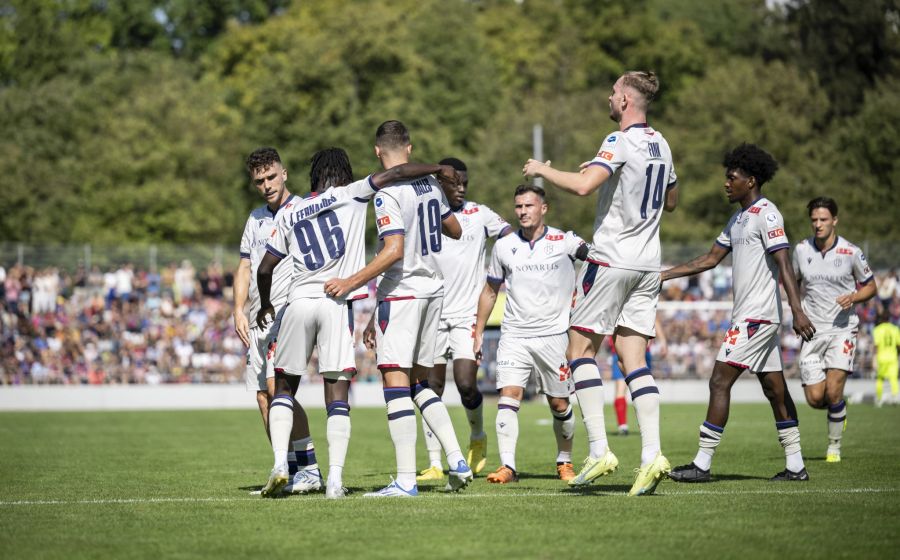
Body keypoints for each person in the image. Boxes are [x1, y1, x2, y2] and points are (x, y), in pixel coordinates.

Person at [257, 146, 462, 499]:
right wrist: (436, 168)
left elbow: (264, 268)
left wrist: (263, 305)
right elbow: (396, 174)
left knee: (286, 388)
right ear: (343, 173)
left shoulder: (290, 212)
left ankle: (279, 464)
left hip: (299, 301)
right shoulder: (351, 194)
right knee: (337, 394)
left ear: (313, 177)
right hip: (337, 301)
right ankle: (335, 481)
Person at [523, 70, 677, 495]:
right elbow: (673, 199)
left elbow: (583, 188)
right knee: (633, 359)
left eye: (613, 93)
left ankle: (599, 450)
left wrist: (542, 171)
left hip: (611, 260)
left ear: (626, 100)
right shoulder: (661, 144)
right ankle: (652, 455)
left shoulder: (618, 141)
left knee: (579, 349)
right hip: (649, 264)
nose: (609, 99)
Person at [324, 120, 472, 498]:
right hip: (434, 293)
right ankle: (456, 459)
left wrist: (350, 282)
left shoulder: (386, 193)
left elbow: (394, 251)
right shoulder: (430, 186)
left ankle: (406, 479)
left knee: (395, 383)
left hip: (404, 294)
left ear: (377, 152)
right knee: (421, 383)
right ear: (410, 146)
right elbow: (455, 229)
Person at [662, 143, 816, 483]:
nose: (726, 183)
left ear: (752, 180)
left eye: (732, 178)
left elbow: (783, 261)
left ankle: (701, 464)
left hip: (757, 318)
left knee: (719, 381)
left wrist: (797, 309)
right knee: (775, 390)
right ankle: (795, 466)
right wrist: (664, 275)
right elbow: (709, 259)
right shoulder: (737, 219)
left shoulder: (768, 214)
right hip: (748, 317)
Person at [473, 184, 588, 483]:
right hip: (515, 335)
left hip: (555, 336)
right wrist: (478, 332)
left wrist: (585, 303)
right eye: (519, 207)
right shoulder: (503, 246)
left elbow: (598, 263)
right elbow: (490, 291)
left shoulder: (565, 241)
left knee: (559, 404)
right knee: (508, 396)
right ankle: (508, 466)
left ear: (543, 208)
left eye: (529, 206)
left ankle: (564, 461)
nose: (523, 212)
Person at [417, 157, 511, 483]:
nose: (460, 189)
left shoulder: (479, 214)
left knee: (467, 384)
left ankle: (477, 435)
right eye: (454, 183)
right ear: (439, 184)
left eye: (464, 184)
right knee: (431, 388)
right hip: (431, 314)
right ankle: (433, 461)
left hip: (466, 316)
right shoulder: (426, 216)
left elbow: (510, 235)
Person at [233, 147, 299, 489]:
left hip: (287, 314)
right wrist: (238, 309)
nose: (267, 185)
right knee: (262, 396)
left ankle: (298, 468)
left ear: (284, 173)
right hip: (258, 319)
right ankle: (285, 468)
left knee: (277, 389)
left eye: (271, 177)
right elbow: (245, 266)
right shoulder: (255, 218)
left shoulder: (300, 210)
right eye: (259, 181)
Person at [792, 197, 877, 462]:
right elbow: (792, 283)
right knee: (816, 399)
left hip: (843, 330)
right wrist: (797, 312)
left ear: (835, 221)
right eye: (814, 220)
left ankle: (834, 447)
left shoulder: (851, 252)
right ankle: (839, 409)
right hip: (812, 332)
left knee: (833, 390)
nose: (818, 225)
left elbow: (871, 286)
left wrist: (853, 297)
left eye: (823, 220)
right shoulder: (801, 250)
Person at [609, 317, 668, 435]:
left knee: (622, 389)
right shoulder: (641, 300)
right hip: (639, 348)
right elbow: (654, 319)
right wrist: (663, 342)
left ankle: (623, 426)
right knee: (642, 387)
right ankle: (644, 425)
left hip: (622, 348)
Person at [872, 310, 900, 406]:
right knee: (894, 379)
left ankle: (879, 399)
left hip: (881, 357)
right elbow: (898, 345)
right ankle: (895, 398)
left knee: (880, 379)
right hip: (893, 357)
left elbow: (876, 346)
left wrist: (874, 358)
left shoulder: (877, 329)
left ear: (881, 318)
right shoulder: (895, 329)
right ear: (889, 318)